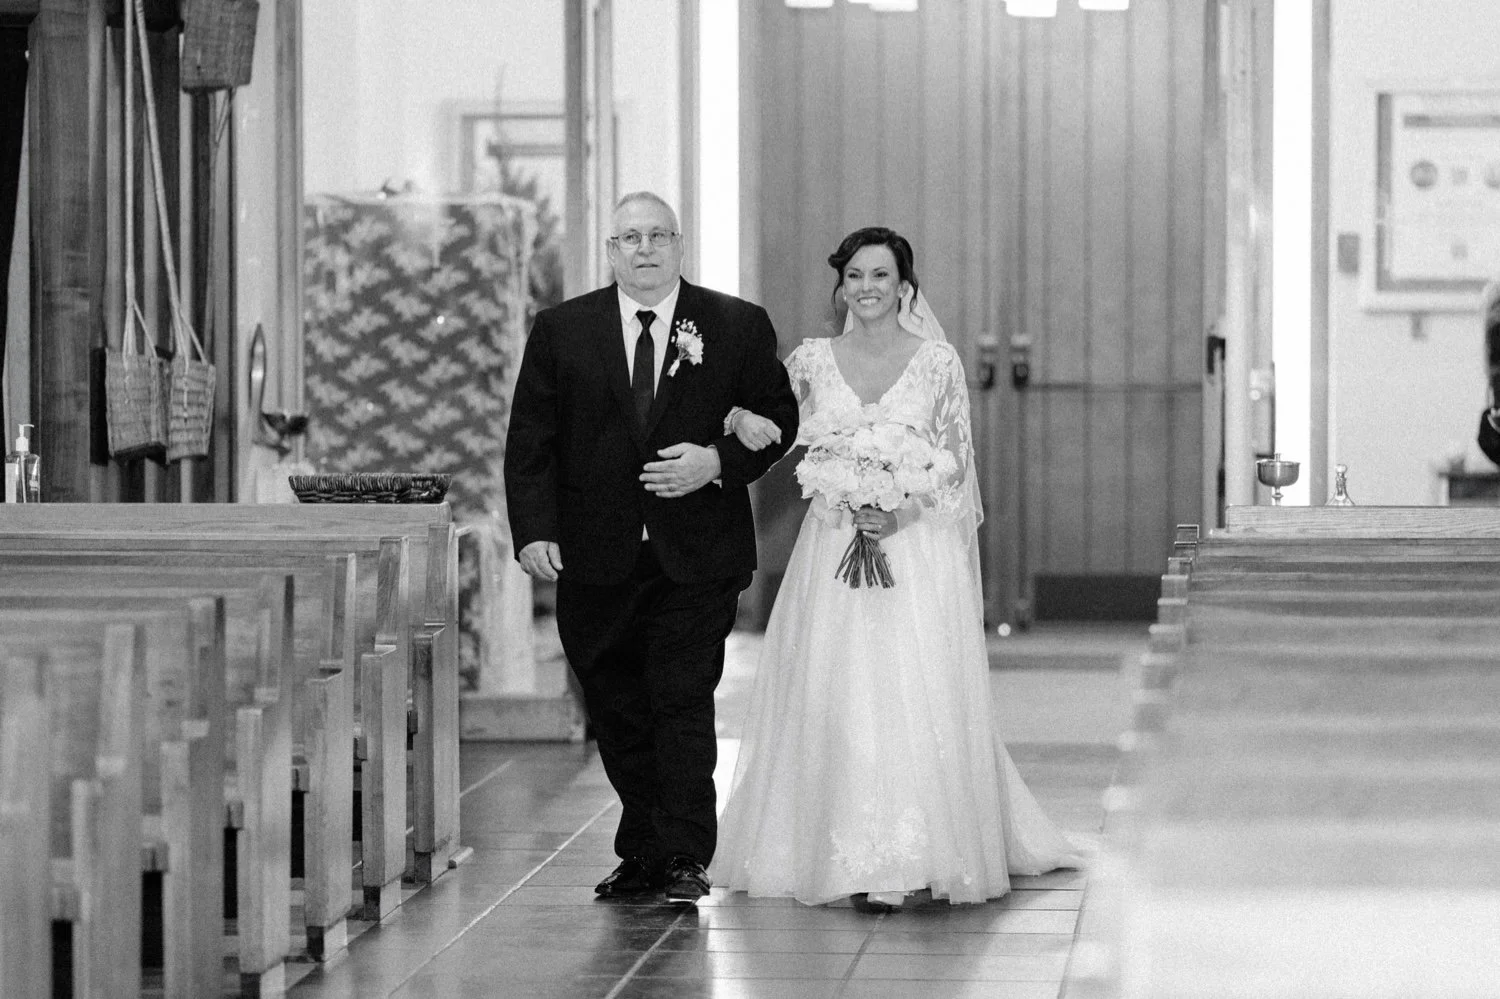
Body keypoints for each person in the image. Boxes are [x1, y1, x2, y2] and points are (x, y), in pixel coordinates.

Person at [712, 226, 1081, 909]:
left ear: (905, 287)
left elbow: (956, 468)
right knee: (839, 689)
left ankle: (918, 848)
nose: (867, 288)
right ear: (840, 286)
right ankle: (833, 841)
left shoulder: (937, 362)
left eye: (881, 276)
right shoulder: (812, 360)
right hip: (832, 548)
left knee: (912, 690)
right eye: (854, 275)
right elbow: (770, 417)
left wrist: (899, 510)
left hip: (914, 549)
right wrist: (738, 420)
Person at [504, 192, 799, 904]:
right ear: (611, 250)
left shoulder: (733, 324)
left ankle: (684, 856)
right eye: (629, 237)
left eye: (658, 235)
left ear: (679, 245)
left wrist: (718, 460)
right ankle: (645, 844)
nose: (644, 249)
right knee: (616, 704)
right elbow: (531, 442)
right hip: (594, 555)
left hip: (696, 554)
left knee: (680, 698)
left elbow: (780, 418)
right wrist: (534, 529)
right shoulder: (562, 330)